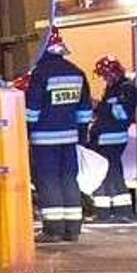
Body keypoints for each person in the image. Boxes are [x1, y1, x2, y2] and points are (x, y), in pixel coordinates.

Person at [25, 27, 92, 243]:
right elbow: (84, 112)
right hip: (70, 138)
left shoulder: (40, 73)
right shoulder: (76, 72)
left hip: (44, 139)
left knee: (48, 181)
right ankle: (72, 229)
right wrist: (80, 136)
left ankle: (53, 230)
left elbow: (31, 111)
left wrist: (25, 132)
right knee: (69, 180)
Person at [89, 54, 137, 223]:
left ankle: (121, 212)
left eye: (106, 74)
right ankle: (106, 212)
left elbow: (122, 114)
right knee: (105, 174)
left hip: (114, 139)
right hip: (104, 138)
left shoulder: (126, 88)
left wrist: (100, 106)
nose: (105, 78)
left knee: (113, 174)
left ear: (115, 72)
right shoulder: (113, 89)